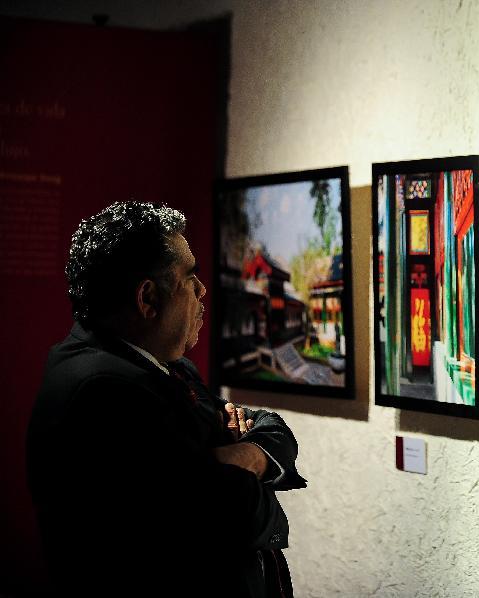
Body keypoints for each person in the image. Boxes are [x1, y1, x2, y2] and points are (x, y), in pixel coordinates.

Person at [27, 202, 306, 597]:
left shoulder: (170, 367)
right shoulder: (103, 391)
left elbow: (271, 427)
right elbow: (234, 514)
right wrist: (245, 480)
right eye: (189, 277)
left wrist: (245, 457)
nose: (202, 289)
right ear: (148, 298)